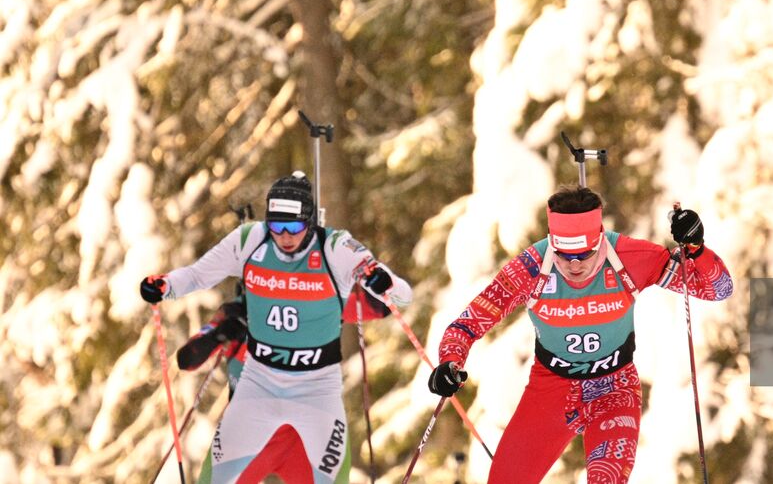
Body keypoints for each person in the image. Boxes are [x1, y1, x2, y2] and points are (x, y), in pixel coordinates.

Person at [428, 187, 732, 483]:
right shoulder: (532, 267)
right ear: (551, 242)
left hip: (615, 389)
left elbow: (717, 288)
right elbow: (468, 323)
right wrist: (449, 363)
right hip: (551, 389)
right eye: (563, 255)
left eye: (584, 255)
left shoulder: (629, 256)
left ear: (600, 239)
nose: (574, 265)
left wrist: (697, 249)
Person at [141, 171, 412, 484]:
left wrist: (384, 281)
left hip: (316, 390)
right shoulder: (249, 239)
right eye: (276, 225)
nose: (284, 235)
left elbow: (401, 298)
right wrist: (165, 286)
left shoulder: (334, 247)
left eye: (294, 226)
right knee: (213, 479)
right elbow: (199, 275)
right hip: (259, 385)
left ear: (310, 222)